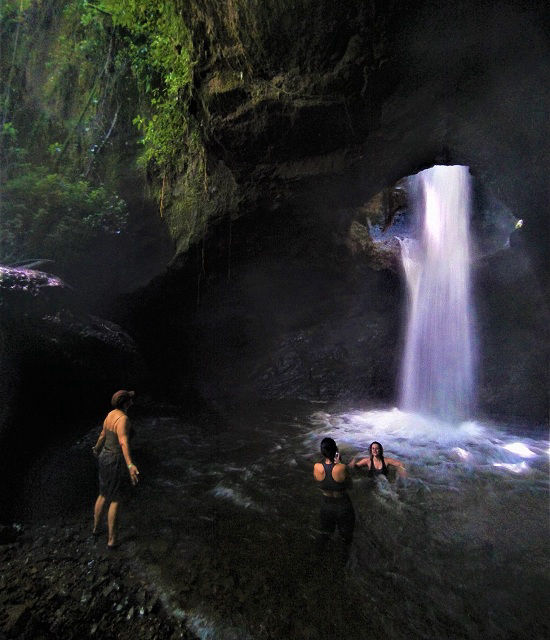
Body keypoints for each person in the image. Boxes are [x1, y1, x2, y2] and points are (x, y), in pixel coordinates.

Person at [92, 390, 139, 549]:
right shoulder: (123, 419)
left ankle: (96, 529)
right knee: (116, 499)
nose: (132, 402)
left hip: (104, 456)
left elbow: (102, 435)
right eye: (130, 400)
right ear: (126, 403)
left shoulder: (110, 414)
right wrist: (130, 465)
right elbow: (123, 442)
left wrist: (97, 448)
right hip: (115, 460)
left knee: (103, 493)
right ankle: (112, 540)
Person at [313, 437, 355, 561]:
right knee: (346, 538)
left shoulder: (316, 467)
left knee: (325, 534)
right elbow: (350, 486)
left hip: (326, 505)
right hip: (343, 506)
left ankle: (318, 558)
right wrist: (339, 464)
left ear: (322, 452)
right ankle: (343, 562)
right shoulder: (341, 468)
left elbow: (319, 481)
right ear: (336, 450)